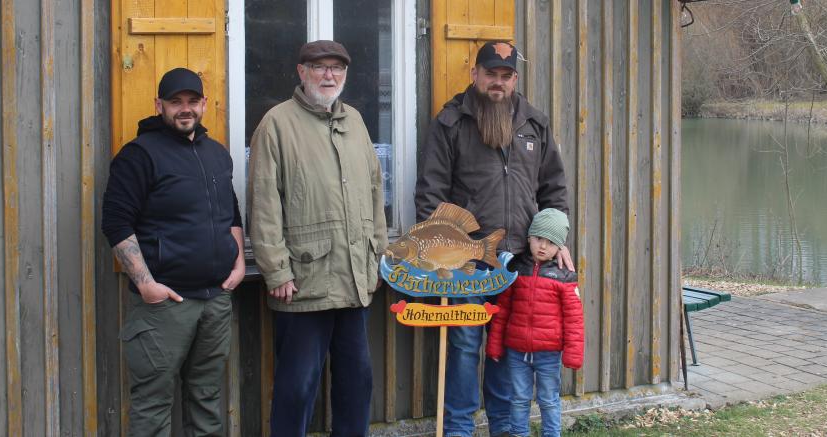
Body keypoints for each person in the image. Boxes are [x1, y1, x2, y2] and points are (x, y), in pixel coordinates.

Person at [415, 40, 571, 437]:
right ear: (475, 74)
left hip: (520, 260)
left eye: (505, 76)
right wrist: (440, 254)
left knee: (508, 350)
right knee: (465, 348)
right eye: (490, 75)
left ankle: (504, 428)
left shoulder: (534, 123)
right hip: (467, 265)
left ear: (514, 79)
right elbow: (430, 194)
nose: (497, 84)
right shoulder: (450, 123)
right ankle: (458, 430)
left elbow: (553, 189)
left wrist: (556, 238)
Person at [247, 40, 388, 437]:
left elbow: (376, 194)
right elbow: (263, 203)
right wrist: (276, 270)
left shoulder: (356, 121)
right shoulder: (277, 123)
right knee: (297, 386)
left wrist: (378, 257)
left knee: (357, 381)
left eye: (337, 68)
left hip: (354, 279)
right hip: (303, 282)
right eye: (320, 67)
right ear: (301, 72)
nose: (329, 75)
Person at [101, 67, 244, 436]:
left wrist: (239, 263)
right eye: (175, 102)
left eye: (192, 101)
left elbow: (232, 212)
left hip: (215, 299)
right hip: (165, 304)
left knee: (207, 398)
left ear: (204, 104)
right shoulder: (138, 155)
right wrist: (147, 285)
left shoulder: (216, 154)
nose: (185, 109)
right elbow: (116, 223)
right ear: (159, 105)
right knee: (152, 402)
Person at [486, 209, 584, 437]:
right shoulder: (516, 271)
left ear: (560, 247)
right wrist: (495, 344)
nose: (543, 246)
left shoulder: (564, 276)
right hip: (516, 352)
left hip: (548, 353)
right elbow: (502, 312)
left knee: (548, 399)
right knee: (519, 399)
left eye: (551, 243)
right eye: (539, 238)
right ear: (529, 237)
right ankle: (519, 434)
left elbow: (574, 319)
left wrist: (573, 353)